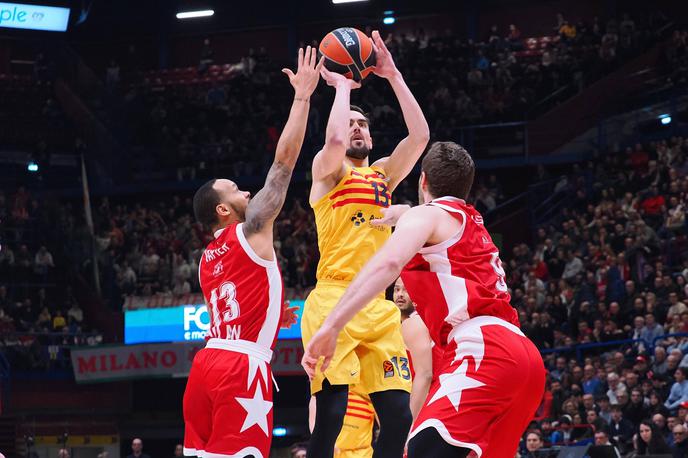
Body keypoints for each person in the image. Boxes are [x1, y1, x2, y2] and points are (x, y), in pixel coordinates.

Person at [303, 142, 545, 458]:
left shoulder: (427, 215)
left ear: (423, 181)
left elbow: (388, 264)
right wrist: (400, 214)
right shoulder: (470, 219)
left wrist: (332, 326)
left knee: (419, 450)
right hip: (525, 357)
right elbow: (419, 217)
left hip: (483, 350)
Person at [182, 47, 323, 458]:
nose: (247, 190)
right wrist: (302, 97)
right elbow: (281, 168)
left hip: (205, 366)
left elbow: (237, 296)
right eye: (236, 190)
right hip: (240, 368)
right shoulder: (253, 228)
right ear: (224, 209)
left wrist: (273, 312)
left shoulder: (207, 258)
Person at [302, 29, 429, 458]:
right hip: (334, 296)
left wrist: (392, 75)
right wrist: (340, 88)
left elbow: (420, 138)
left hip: (378, 305)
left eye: (363, 125)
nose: (356, 129)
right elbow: (334, 140)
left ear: (372, 139)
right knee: (332, 415)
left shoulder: (384, 177)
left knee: (397, 417)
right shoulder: (328, 173)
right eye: (352, 123)